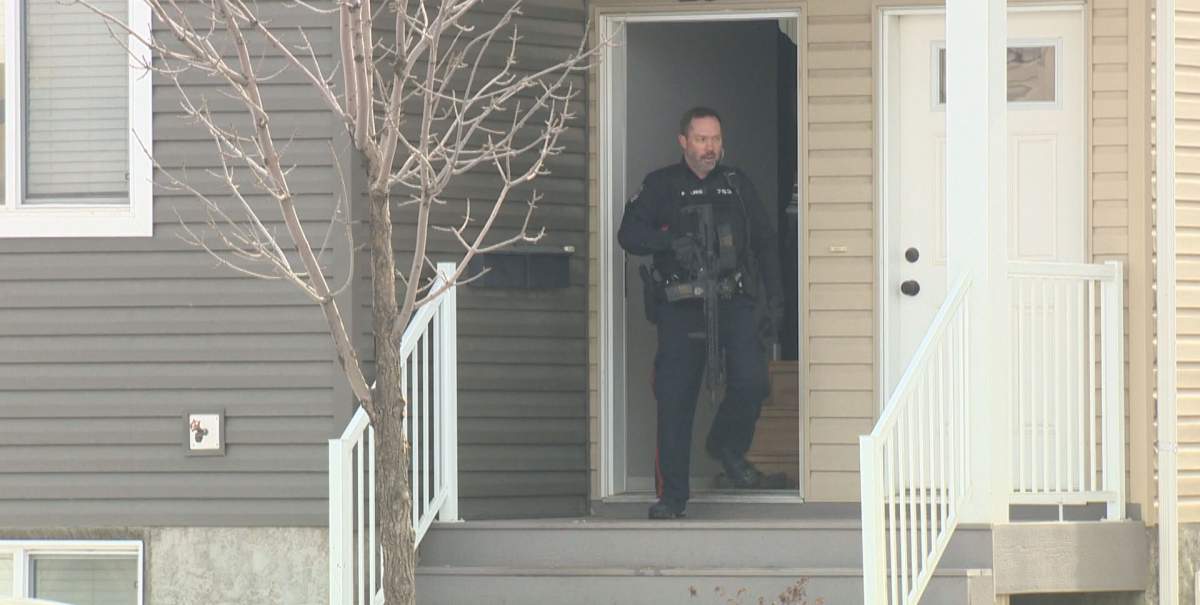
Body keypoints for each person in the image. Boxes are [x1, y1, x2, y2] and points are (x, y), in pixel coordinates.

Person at [619, 106, 783, 520]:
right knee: (675, 399)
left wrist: (776, 301)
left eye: (715, 140)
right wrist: (671, 241)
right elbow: (629, 235)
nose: (710, 148)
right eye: (701, 140)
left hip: (734, 300)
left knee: (753, 381)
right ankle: (672, 497)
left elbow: (764, 242)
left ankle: (726, 443)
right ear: (683, 142)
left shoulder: (736, 184)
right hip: (682, 306)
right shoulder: (661, 185)